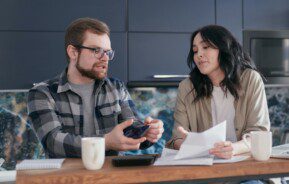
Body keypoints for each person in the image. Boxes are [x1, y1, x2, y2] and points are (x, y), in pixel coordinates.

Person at [28, 17, 164, 158]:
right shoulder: (42, 93)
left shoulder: (116, 88)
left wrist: (147, 133)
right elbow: (53, 142)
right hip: (67, 178)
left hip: (111, 176)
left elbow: (131, 130)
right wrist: (105, 142)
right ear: (73, 52)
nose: (105, 58)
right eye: (96, 50)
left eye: (108, 52)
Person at [167, 25, 270, 159]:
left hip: (243, 167)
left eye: (205, 47)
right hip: (203, 170)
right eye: (195, 50)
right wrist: (192, 143)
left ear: (223, 48)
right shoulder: (186, 87)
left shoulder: (250, 79)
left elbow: (259, 133)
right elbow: (176, 139)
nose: (199, 54)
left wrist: (233, 149)